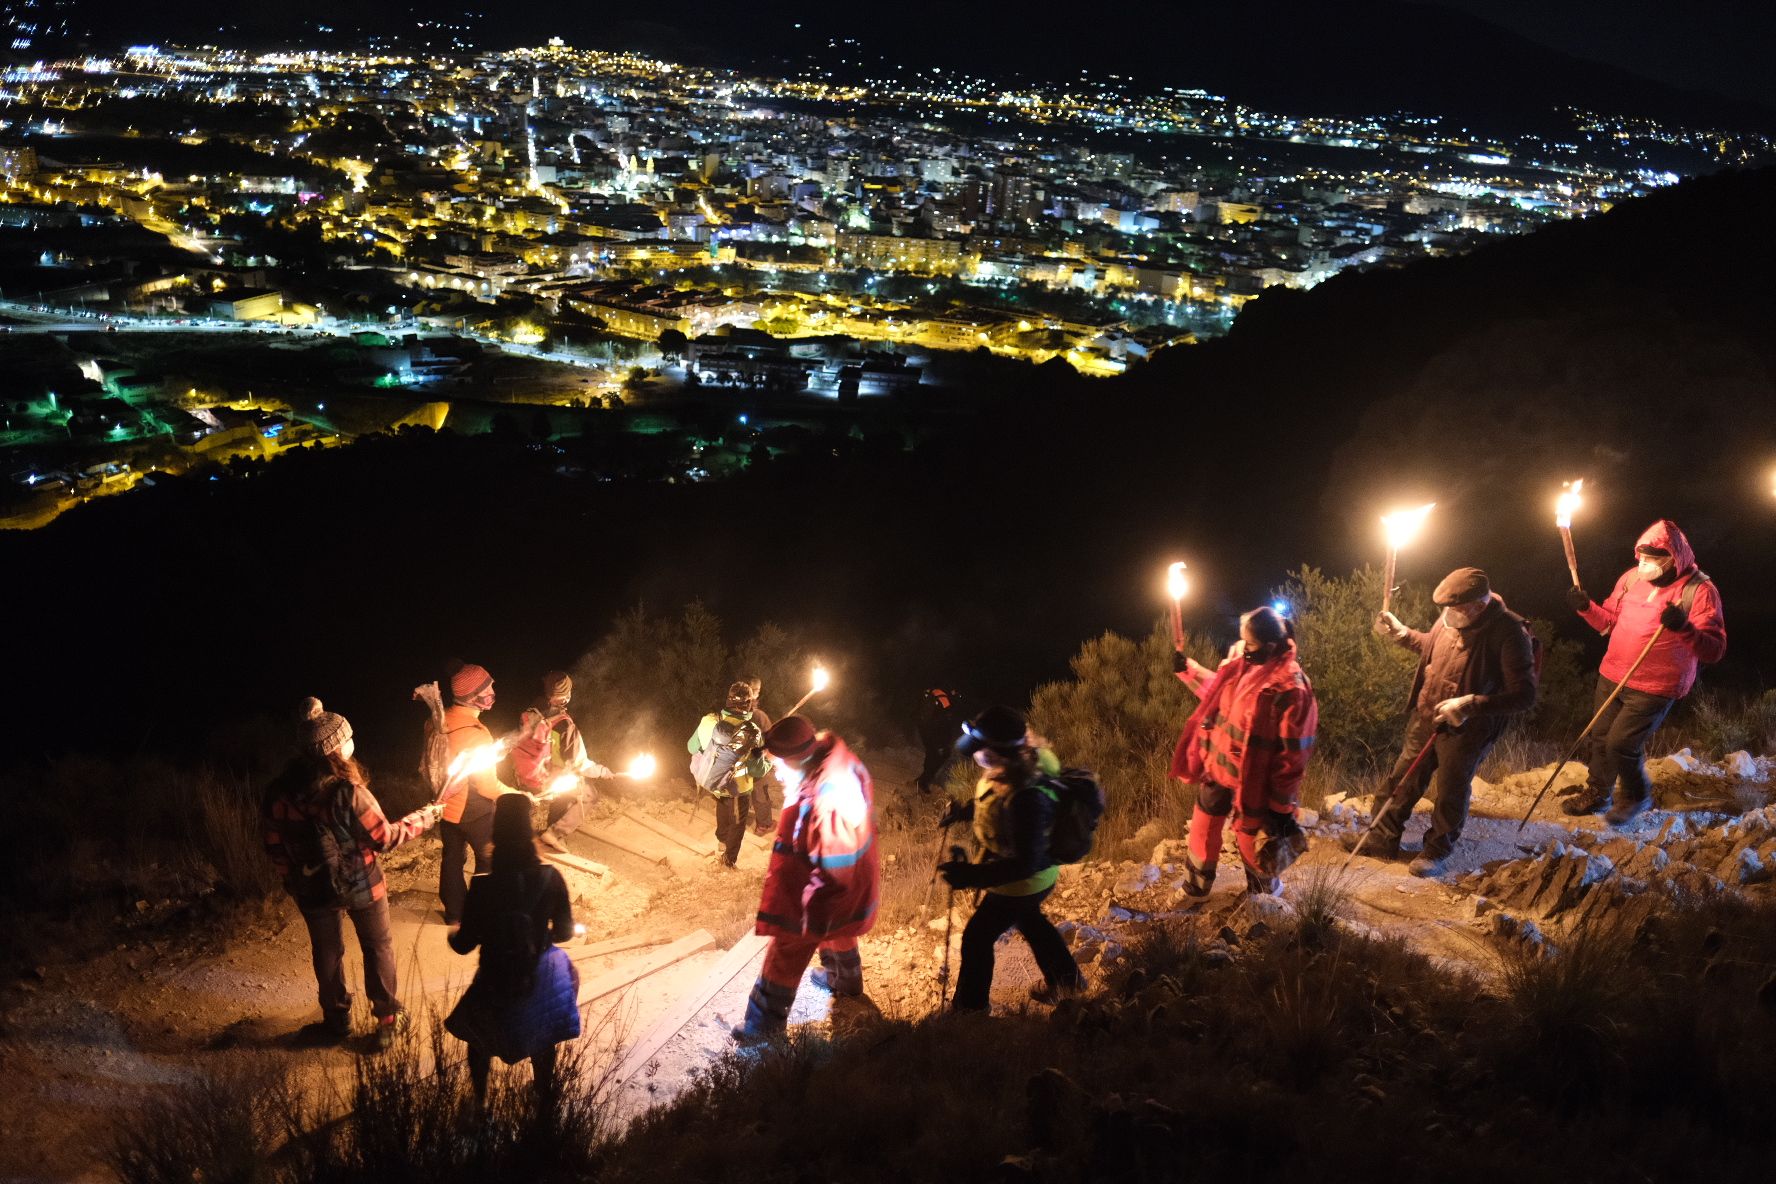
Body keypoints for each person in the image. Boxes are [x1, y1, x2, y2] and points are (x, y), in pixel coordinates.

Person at [263, 698, 442, 1047]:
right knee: (378, 946)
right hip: (363, 883)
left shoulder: (279, 792)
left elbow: (273, 842)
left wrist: (291, 881)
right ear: (334, 749)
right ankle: (388, 1019)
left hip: (312, 885)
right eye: (347, 739)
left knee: (327, 952)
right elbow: (385, 838)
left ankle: (336, 1022)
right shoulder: (348, 793)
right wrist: (427, 816)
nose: (351, 743)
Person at [1347, 567, 1538, 875]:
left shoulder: (1509, 632)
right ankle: (1382, 839)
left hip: (1468, 729)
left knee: (1450, 791)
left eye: (1457, 607)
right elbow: (1432, 648)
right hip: (1428, 714)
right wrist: (1402, 634)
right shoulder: (1453, 615)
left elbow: (1525, 695)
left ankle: (1436, 850)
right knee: (1402, 781)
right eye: (1447, 608)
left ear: (1478, 605)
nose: (1450, 613)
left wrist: (1470, 704)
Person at [1562, 520, 1727, 825]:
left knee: (1621, 744)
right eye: (1642, 557)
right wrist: (1586, 608)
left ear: (1673, 559)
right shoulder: (1630, 579)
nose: (1645, 564)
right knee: (1600, 737)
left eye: (1653, 558)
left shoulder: (1700, 591)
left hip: (1656, 684)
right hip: (1613, 673)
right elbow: (1609, 622)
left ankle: (1637, 795)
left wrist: (1684, 627)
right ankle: (1599, 793)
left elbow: (1714, 650)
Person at [731, 716, 880, 1043]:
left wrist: (806, 909)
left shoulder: (827, 799)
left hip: (824, 889)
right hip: (849, 885)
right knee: (839, 925)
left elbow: (834, 868)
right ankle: (846, 980)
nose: (777, 772)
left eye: (780, 765)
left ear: (795, 758)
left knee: (786, 952)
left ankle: (762, 1028)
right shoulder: (827, 752)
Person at [937, 706, 1086, 1011]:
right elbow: (994, 801)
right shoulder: (1020, 762)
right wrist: (967, 812)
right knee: (1031, 921)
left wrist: (971, 877)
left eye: (981, 751)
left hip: (1024, 881)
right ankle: (1068, 982)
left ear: (1000, 754)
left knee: (977, 937)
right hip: (1036, 876)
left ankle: (969, 1011)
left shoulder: (1026, 796)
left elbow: (1023, 863)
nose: (976, 757)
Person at [1170, 607, 1319, 898]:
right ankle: (1194, 889)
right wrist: (1188, 670)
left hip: (1254, 785)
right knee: (1202, 830)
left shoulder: (1292, 688)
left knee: (1253, 843)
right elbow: (1219, 694)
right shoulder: (1243, 662)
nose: (1243, 649)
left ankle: (1265, 897)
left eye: (1249, 644)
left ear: (1272, 646)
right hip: (1218, 769)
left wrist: (1280, 810)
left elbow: (1293, 759)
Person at [446, 793, 579, 1103]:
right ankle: (544, 1100)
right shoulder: (551, 877)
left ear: (496, 832)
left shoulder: (482, 885)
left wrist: (454, 933)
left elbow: (464, 946)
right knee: (543, 1028)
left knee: (477, 1038)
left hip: (495, 977)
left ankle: (481, 1102)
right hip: (539, 974)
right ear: (528, 829)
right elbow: (564, 934)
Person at [433, 663, 517, 925]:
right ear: (474, 696)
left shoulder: (438, 720)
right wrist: (515, 795)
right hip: (472, 808)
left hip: (444, 804)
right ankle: (484, 912)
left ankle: (455, 914)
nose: (493, 690)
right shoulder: (477, 735)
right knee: (491, 858)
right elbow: (488, 787)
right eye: (488, 687)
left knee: (452, 859)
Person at [506, 671, 612, 853]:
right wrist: (602, 771)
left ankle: (548, 833)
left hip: (524, 777)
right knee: (590, 794)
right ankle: (555, 833)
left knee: (565, 781)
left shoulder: (531, 711)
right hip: (546, 782)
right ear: (566, 697)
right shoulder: (565, 725)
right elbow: (579, 763)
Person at [687, 681, 770, 866]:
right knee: (738, 825)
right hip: (739, 788)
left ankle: (721, 848)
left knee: (723, 812)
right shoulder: (752, 731)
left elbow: (691, 746)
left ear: (728, 700)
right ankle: (728, 862)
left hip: (716, 783)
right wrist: (768, 764)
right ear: (748, 704)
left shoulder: (708, 720)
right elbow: (757, 769)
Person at [739, 675, 778, 837]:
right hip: (754, 763)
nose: (757, 694)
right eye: (756, 690)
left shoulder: (733, 713)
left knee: (742, 791)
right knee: (761, 792)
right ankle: (764, 825)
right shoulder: (759, 716)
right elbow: (771, 739)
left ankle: (738, 820)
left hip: (738, 763)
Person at [915, 686, 965, 794]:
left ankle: (923, 780)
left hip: (925, 729)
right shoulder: (945, 700)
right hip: (933, 732)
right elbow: (943, 722)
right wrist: (943, 742)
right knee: (938, 756)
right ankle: (924, 782)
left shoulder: (936, 693)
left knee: (932, 754)